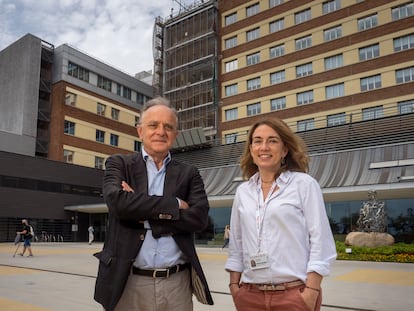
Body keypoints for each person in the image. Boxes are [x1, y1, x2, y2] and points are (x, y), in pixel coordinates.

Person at [94, 97, 213, 311]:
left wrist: (142, 211)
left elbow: (199, 218)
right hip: (128, 283)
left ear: (175, 135)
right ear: (140, 131)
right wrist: (175, 204)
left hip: (176, 285)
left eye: (168, 127)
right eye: (153, 125)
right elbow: (118, 204)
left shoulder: (189, 173)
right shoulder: (119, 164)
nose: (161, 131)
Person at [225, 118, 337, 311]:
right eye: (257, 141)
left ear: (285, 150)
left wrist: (311, 291)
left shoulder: (304, 184)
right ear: (251, 149)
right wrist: (235, 287)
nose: (264, 147)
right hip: (250, 296)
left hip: (293, 295)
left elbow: (321, 241)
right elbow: (237, 244)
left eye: (273, 141)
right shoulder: (243, 192)